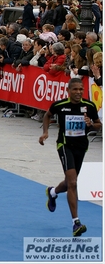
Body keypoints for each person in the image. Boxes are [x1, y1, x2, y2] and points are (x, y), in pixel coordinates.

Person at [39, 78, 102, 237]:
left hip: (81, 147)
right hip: (65, 146)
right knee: (73, 182)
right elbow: (47, 115)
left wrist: (91, 124)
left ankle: (52, 192)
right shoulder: (60, 105)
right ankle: (76, 223)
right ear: (68, 91)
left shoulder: (89, 106)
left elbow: (98, 124)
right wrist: (45, 132)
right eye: (75, 89)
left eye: (81, 89)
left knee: (69, 182)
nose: (78, 92)